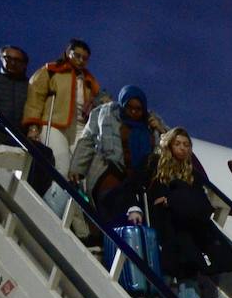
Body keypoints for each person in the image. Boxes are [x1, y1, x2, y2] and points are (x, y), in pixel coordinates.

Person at [145, 127, 232, 298]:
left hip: (186, 234)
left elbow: (203, 206)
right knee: (166, 279)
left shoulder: (192, 174)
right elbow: (153, 198)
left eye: (187, 145)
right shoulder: (154, 167)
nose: (183, 148)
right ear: (169, 145)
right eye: (178, 143)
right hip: (165, 232)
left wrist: (173, 201)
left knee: (189, 281)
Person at [71, 85, 166, 226]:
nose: (133, 112)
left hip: (141, 180)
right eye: (129, 107)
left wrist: (161, 129)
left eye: (138, 109)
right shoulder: (105, 113)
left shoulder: (152, 122)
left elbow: (171, 144)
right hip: (110, 170)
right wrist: (77, 167)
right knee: (112, 203)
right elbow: (88, 139)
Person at [22, 39, 99, 175]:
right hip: (55, 123)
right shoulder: (52, 70)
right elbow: (35, 98)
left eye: (85, 58)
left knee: (82, 170)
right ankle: (49, 196)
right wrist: (33, 126)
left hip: (81, 127)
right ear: (68, 53)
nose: (81, 60)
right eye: (77, 55)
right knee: (61, 166)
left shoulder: (90, 81)